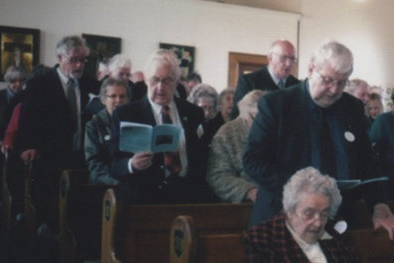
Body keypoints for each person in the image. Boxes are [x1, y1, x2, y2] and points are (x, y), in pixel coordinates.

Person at [241, 40, 394, 239]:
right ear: (311, 69)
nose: (335, 90)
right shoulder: (277, 104)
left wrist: (379, 206)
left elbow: (368, 162)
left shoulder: (351, 107)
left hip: (336, 221)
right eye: (328, 80)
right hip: (282, 216)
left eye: (342, 82)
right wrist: (303, 191)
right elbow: (253, 161)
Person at [16, 36, 97, 232]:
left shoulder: (89, 84)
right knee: (51, 207)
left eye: (83, 60)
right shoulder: (40, 83)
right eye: (74, 60)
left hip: (80, 154)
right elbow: (27, 118)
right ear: (60, 57)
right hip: (50, 153)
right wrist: (28, 145)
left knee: (78, 206)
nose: (79, 65)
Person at [108, 49, 210, 204]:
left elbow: (202, 157)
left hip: (187, 196)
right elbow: (114, 165)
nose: (160, 87)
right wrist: (131, 165)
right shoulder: (126, 114)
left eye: (167, 80)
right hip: (144, 199)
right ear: (147, 80)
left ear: (176, 82)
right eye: (155, 80)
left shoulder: (193, 112)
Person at [207, 90, 264, 203]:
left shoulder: (274, 129)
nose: (264, 124)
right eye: (257, 119)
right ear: (245, 115)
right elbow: (218, 176)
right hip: (241, 206)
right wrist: (249, 191)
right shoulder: (226, 134)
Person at [233, 39, 299, 115]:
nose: (288, 64)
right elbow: (237, 116)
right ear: (270, 58)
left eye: (292, 58)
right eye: (284, 57)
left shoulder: (297, 86)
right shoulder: (249, 82)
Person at [84, 77, 129, 186]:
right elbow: (94, 164)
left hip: (129, 182)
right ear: (103, 100)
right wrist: (117, 183)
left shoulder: (133, 122)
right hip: (104, 184)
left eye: (122, 96)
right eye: (113, 96)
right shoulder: (93, 125)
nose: (118, 101)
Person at [0, 65, 25, 147]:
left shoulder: (27, 96)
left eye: (21, 81)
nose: (18, 84)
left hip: (21, 143)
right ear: (8, 81)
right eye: (14, 81)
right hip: (1, 142)